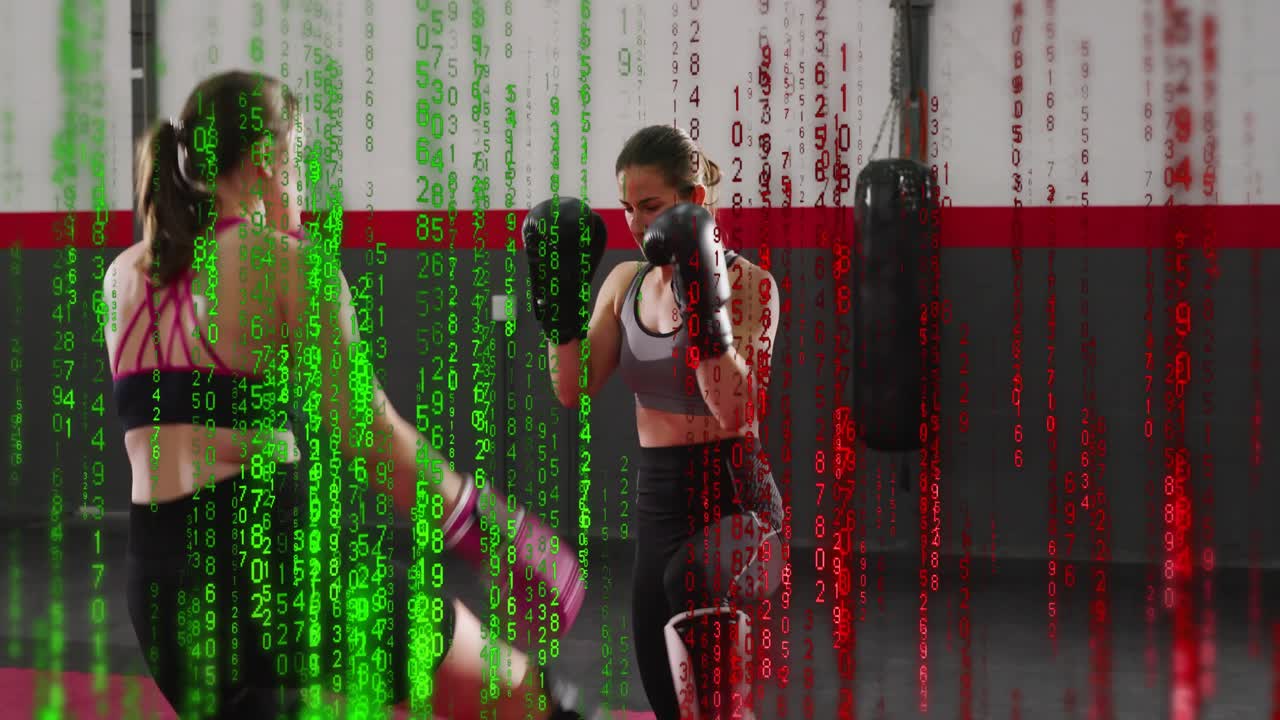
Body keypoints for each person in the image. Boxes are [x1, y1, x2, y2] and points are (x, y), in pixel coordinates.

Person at [103, 69, 588, 719]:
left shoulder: (121, 279)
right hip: (273, 572)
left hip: (160, 594)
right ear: (272, 160)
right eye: (297, 159)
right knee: (527, 699)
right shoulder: (286, 266)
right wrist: (490, 533)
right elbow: (371, 436)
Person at [523, 126, 787, 719]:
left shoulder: (750, 287)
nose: (637, 224)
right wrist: (558, 310)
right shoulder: (626, 284)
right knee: (670, 694)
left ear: (692, 199)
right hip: (659, 506)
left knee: (692, 592)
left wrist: (704, 306)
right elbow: (573, 388)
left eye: (651, 207)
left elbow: (737, 411)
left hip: (736, 507)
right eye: (626, 209)